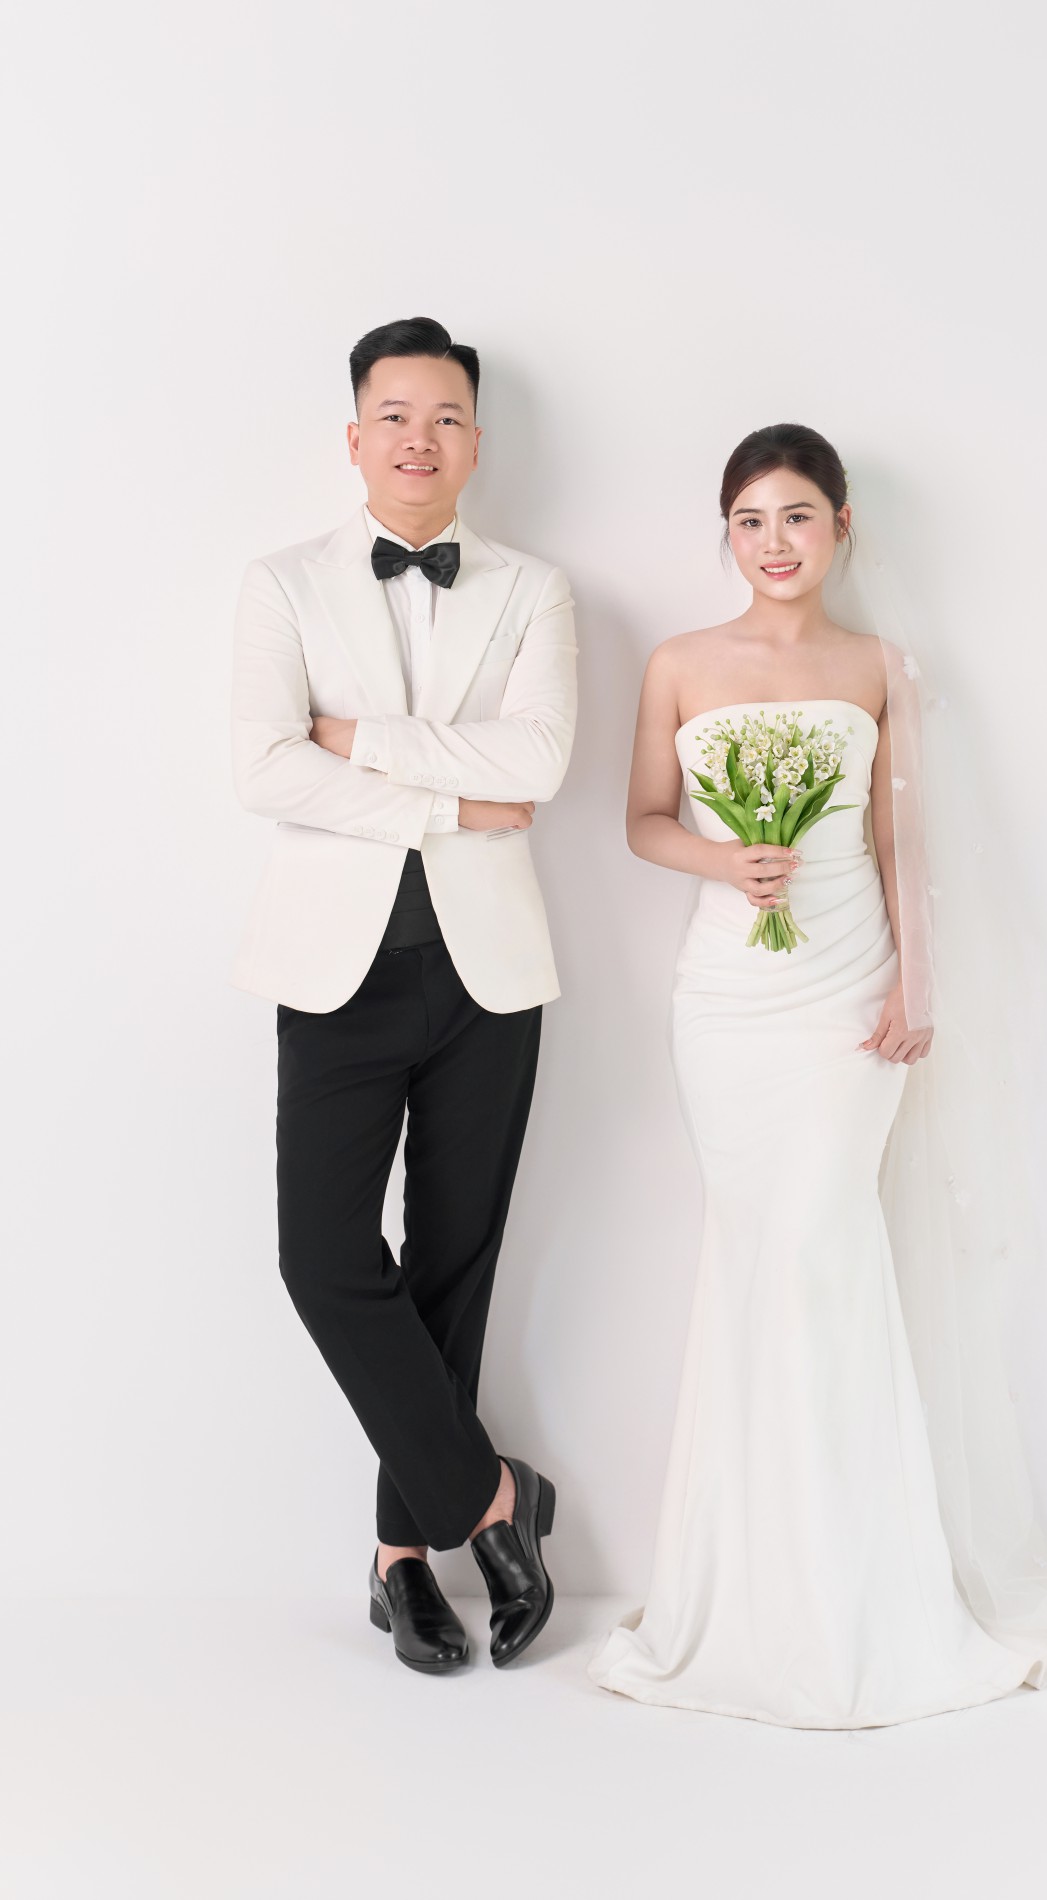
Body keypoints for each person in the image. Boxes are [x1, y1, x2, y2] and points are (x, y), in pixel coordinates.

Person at [588, 423, 1047, 1728]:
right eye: (749, 521)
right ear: (726, 535)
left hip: (847, 997)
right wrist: (728, 860)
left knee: (822, 1251)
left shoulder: (880, 666)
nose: (773, 543)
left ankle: (861, 1594)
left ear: (843, 526)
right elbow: (643, 820)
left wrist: (917, 985)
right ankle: (744, 1592)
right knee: (756, 1259)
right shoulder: (679, 662)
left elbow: (905, 840)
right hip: (727, 1004)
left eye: (797, 516)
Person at [231, 316, 575, 1673]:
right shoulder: (282, 584)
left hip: (492, 973)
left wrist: (360, 742)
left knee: (450, 1265)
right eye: (395, 415)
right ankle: (494, 1501)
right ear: (356, 436)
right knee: (324, 1258)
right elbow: (264, 768)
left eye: (444, 418)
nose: (418, 439)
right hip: (335, 971)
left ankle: (400, 1562)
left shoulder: (535, 590)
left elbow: (537, 763)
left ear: (475, 441)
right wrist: (448, 801)